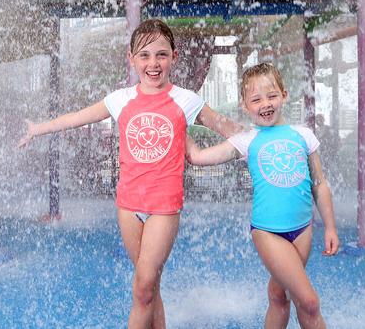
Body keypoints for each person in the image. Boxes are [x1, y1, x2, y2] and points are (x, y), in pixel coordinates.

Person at [18, 19, 242, 329]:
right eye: (145, 55)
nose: (153, 63)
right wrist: (39, 128)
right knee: (149, 288)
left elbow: (229, 128)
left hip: (164, 208)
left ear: (174, 57)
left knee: (143, 286)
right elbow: (77, 118)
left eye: (161, 55)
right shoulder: (120, 99)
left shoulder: (186, 100)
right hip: (127, 206)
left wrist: (265, 136)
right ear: (132, 58)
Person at [186, 63, 339, 329]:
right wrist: (179, 127)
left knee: (279, 296)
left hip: (303, 230)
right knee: (310, 302)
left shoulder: (303, 135)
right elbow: (198, 157)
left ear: (284, 95)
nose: (265, 104)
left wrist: (331, 227)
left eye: (271, 96)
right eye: (256, 99)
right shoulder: (247, 139)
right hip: (268, 232)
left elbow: (319, 184)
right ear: (245, 106)